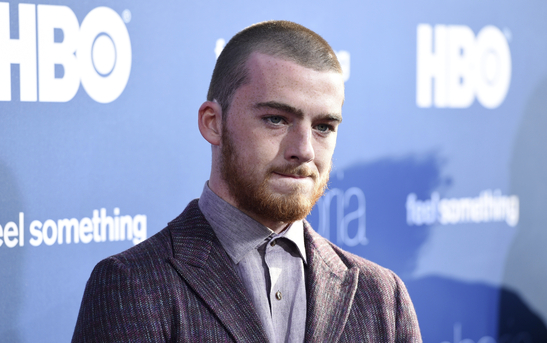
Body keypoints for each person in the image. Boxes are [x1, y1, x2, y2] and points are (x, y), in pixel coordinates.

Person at [72, 20, 422, 342]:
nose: (304, 151)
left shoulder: (382, 297)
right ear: (213, 123)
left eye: (323, 127)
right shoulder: (132, 285)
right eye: (275, 119)